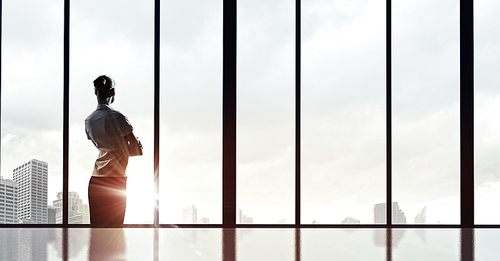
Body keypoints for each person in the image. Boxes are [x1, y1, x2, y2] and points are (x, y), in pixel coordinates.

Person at [85, 75, 142, 227]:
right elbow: (137, 150)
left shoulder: (89, 121)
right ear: (113, 92)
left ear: (95, 92)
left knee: (98, 231)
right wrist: (123, 148)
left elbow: (102, 146)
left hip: (96, 180)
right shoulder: (118, 117)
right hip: (115, 180)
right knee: (114, 231)